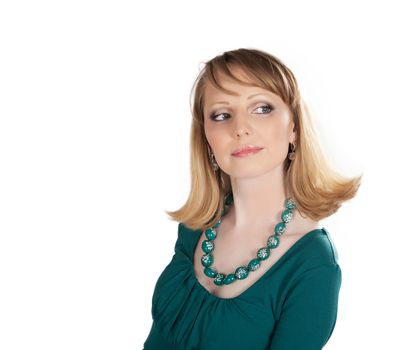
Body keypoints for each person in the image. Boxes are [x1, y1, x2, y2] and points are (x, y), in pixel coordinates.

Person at [143, 48, 362, 349]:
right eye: (222, 115)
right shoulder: (194, 229)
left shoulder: (312, 263)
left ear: (294, 127)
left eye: (261, 108)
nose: (240, 128)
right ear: (207, 139)